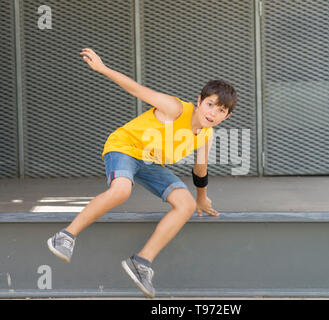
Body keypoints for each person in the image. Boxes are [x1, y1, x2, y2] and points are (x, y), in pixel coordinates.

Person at [47, 48, 237, 298]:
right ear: (200, 100)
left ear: (227, 115)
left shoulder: (206, 135)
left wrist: (201, 197)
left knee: (185, 205)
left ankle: (142, 262)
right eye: (210, 105)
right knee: (122, 190)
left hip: (150, 162)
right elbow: (138, 90)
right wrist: (103, 69)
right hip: (125, 147)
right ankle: (65, 235)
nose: (213, 113)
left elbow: (200, 169)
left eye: (221, 110)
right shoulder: (176, 108)